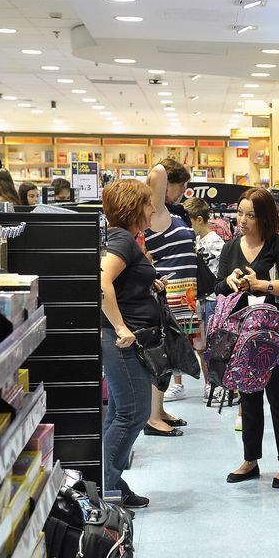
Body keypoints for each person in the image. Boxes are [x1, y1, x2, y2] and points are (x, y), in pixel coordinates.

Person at [215, 187, 279, 488]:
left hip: (274, 334)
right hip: (242, 335)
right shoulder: (230, 248)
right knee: (248, 398)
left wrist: (260, 284)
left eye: (250, 215)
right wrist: (229, 280)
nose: (243, 220)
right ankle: (250, 460)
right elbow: (218, 288)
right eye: (240, 213)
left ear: (264, 218)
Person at [99, 178, 162, 510]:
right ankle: (105, 485)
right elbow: (102, 281)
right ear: (135, 206)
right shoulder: (122, 239)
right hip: (121, 340)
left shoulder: (123, 238)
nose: (153, 207)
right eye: (149, 202)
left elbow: (121, 282)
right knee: (133, 411)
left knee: (123, 412)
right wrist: (121, 326)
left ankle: (111, 480)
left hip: (122, 339)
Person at [143, 160, 201, 430]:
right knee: (163, 353)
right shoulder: (155, 211)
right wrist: (169, 168)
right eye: (182, 185)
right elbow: (157, 171)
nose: (184, 191)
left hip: (184, 295)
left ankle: (159, 410)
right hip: (169, 294)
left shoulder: (173, 213)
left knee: (171, 354)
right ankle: (152, 417)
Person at [184, 197, 226, 402]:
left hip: (212, 300)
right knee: (201, 347)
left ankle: (220, 385)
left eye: (189, 221)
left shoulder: (216, 243)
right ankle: (209, 383)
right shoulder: (195, 241)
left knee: (214, 345)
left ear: (199, 219)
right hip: (197, 301)